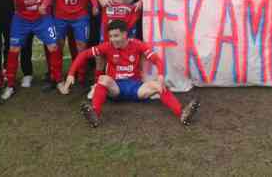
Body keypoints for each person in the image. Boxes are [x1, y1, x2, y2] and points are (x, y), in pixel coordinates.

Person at [60, 20, 200, 127]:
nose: (113, 39)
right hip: (116, 89)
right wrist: (71, 73)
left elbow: (157, 60)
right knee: (103, 79)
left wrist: (161, 75)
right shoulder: (107, 46)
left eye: (116, 35)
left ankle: (182, 113)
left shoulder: (137, 44)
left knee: (158, 86)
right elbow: (83, 54)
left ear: (125, 34)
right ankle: (94, 113)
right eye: (111, 36)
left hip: (136, 88)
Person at [0, 0, 61, 99]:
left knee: (53, 46)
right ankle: (10, 85)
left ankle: (58, 80)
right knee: (13, 49)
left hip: (42, 18)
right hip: (21, 19)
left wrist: (45, 4)